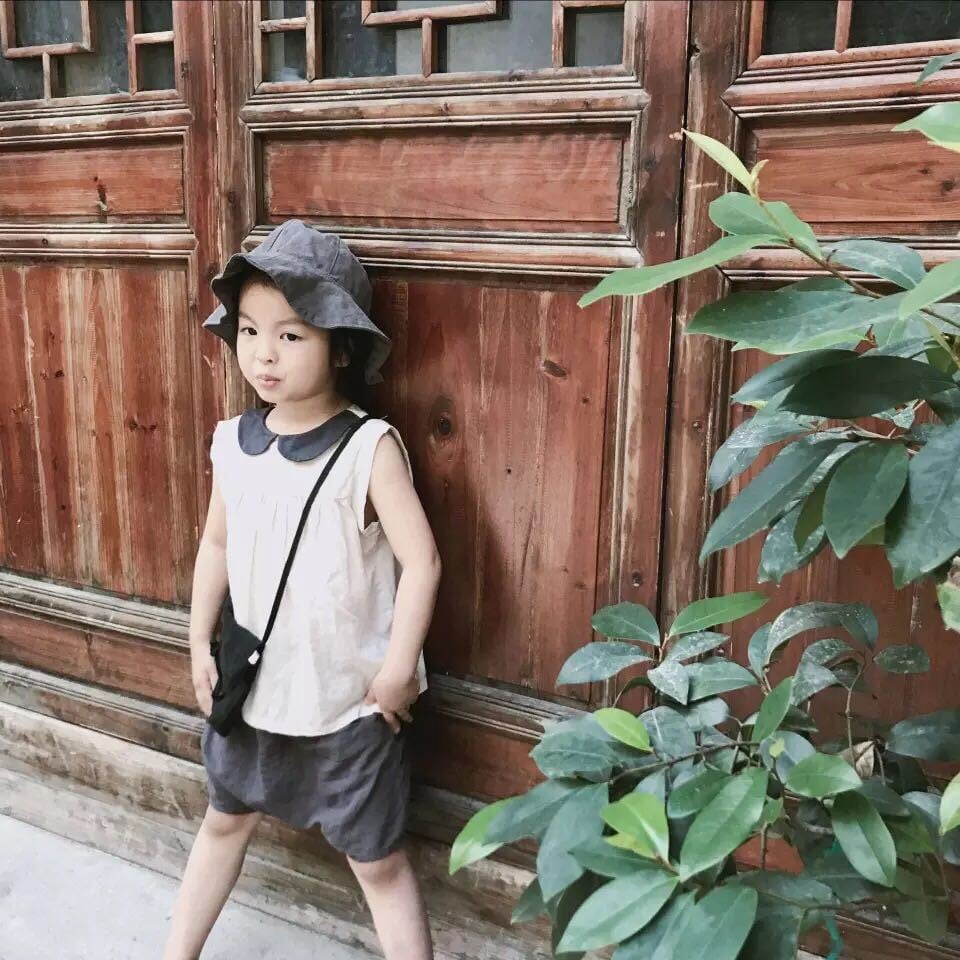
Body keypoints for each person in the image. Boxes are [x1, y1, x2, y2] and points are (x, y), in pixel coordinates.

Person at [162, 220, 440, 960]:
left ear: (340, 348)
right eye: (251, 330)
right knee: (224, 820)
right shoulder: (233, 442)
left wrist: (397, 672)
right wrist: (197, 640)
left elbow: (422, 563)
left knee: (377, 862)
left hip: (348, 704)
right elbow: (216, 545)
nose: (264, 353)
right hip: (254, 692)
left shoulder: (367, 448)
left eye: (291, 335)